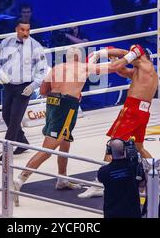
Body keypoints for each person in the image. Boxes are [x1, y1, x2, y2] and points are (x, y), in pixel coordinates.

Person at [12, 46, 132, 206]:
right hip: (66, 107)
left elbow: (42, 91)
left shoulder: (55, 68)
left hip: (52, 104)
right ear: (79, 57)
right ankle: (20, 180)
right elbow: (114, 67)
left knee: (65, 141)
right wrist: (131, 54)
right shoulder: (83, 67)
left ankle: (62, 178)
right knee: (48, 149)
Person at [79, 44, 158, 198]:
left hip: (132, 109)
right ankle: (156, 178)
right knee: (138, 146)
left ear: (142, 57)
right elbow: (121, 70)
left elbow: (124, 55)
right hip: (143, 111)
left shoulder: (145, 65)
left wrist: (100, 53)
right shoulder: (144, 72)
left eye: (133, 53)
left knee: (113, 144)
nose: (130, 54)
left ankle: (99, 184)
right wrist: (112, 57)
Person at [0, 22, 48, 158]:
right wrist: (1, 74)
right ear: (17, 29)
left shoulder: (35, 46)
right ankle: (22, 142)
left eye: (28, 30)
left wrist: (33, 86)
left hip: (25, 87)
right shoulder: (6, 42)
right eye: (22, 29)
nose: (25, 32)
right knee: (6, 115)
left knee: (15, 119)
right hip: (8, 84)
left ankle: (7, 151)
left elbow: (42, 69)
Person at [98, 139, 141, 218]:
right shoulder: (134, 167)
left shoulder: (104, 171)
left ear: (109, 151)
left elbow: (101, 179)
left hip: (112, 212)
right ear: (125, 149)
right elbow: (142, 182)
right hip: (132, 212)